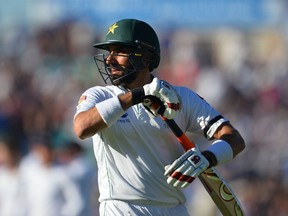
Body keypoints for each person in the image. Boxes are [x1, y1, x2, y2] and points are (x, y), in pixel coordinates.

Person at [73, 18, 245, 216]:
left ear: (146, 57)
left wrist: (206, 158)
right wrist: (139, 94)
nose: (110, 59)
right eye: (109, 52)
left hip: (174, 209)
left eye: (119, 51)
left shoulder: (183, 97)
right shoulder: (100, 95)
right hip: (122, 208)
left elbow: (234, 139)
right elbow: (81, 127)